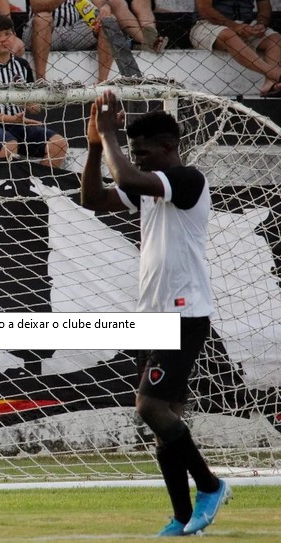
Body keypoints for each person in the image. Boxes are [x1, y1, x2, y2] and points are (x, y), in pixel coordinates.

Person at [80, 90, 232, 536]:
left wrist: (109, 134)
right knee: (166, 423)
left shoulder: (186, 180)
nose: (138, 160)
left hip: (183, 317)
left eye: (144, 153)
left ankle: (210, 486)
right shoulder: (148, 187)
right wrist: (94, 146)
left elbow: (126, 176)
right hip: (151, 317)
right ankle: (183, 517)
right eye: (135, 153)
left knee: (149, 407)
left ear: (168, 147)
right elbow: (92, 199)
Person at [0, 13, 67, 167]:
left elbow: (34, 108)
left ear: (14, 36)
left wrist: (30, 101)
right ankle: (7, 182)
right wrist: (13, 119)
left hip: (18, 126)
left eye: (7, 34)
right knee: (9, 145)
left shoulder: (22, 66)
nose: (4, 39)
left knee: (58, 144)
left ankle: (41, 180)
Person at [191, 0, 281, 97]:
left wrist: (261, 24)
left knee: (275, 39)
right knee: (228, 35)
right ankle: (274, 73)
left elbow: (264, 6)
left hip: (247, 24)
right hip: (208, 24)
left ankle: (271, 85)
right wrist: (234, 26)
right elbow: (204, 8)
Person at [22, 0, 114, 82]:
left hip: (72, 31)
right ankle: (41, 81)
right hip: (41, 32)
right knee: (43, 18)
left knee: (108, 20)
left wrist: (105, 7)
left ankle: (102, 82)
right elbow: (36, 6)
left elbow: (99, 3)